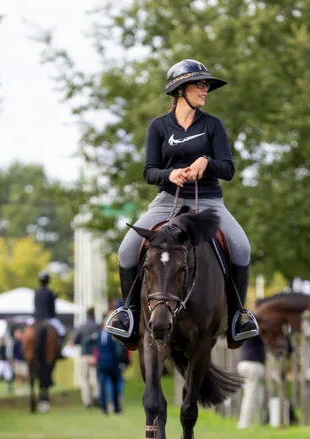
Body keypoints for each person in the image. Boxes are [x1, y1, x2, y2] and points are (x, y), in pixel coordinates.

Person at [106, 59, 258, 350]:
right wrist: (170, 174)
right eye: (199, 84)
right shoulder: (159, 127)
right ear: (180, 90)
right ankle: (129, 315)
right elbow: (149, 171)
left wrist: (207, 162)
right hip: (167, 202)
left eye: (206, 85)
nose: (205, 89)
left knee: (241, 246)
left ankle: (239, 317)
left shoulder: (213, 125)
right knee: (127, 248)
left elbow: (228, 169)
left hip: (209, 202)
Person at [96, 310, 129, 414]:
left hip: (101, 362)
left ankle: (104, 408)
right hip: (113, 363)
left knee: (102, 385)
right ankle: (116, 407)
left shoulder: (99, 334)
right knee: (115, 385)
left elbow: (90, 343)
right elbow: (119, 350)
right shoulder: (114, 335)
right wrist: (123, 361)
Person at [235, 334, 266, 429]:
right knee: (250, 395)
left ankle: (260, 421)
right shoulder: (255, 329)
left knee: (259, 395)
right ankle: (244, 423)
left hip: (244, 364)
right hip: (253, 365)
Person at [73, 307, 102, 407]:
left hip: (85, 355)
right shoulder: (98, 326)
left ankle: (87, 401)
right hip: (95, 355)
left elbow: (75, 340)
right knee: (96, 378)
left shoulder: (81, 326)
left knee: (85, 378)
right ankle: (97, 396)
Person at [33, 271, 67, 355]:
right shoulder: (50, 293)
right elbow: (52, 308)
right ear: (48, 281)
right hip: (48, 319)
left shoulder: (36, 292)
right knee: (62, 331)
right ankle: (59, 351)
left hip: (36, 318)